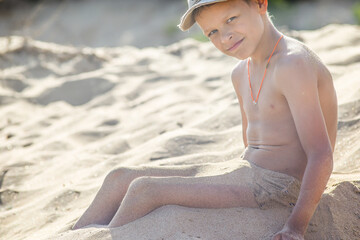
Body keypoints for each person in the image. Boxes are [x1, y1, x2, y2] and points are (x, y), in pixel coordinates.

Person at [73, 0, 337, 239]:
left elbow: (321, 153)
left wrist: (295, 227)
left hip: (280, 186)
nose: (224, 37)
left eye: (230, 19)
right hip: (246, 171)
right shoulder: (240, 72)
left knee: (145, 190)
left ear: (260, 3)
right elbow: (250, 144)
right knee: (119, 178)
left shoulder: (292, 64)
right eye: (211, 32)